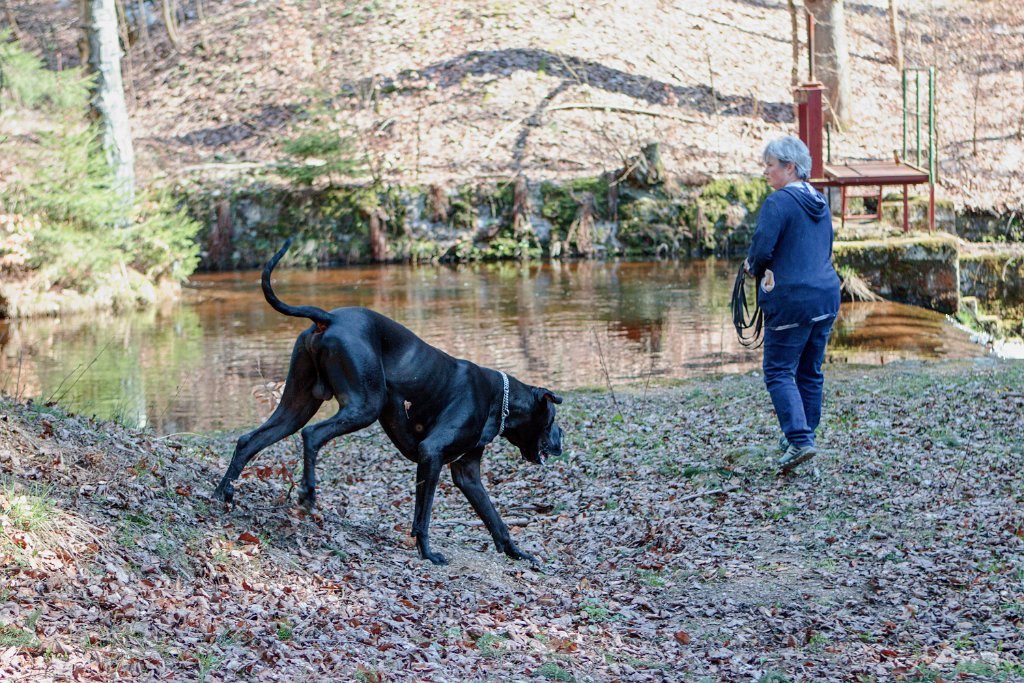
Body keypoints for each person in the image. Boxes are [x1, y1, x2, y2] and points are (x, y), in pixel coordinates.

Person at [744, 135, 841, 473]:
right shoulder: (820, 200)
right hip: (827, 295)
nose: (766, 172)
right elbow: (824, 248)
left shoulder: (778, 202)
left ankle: (799, 439)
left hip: (792, 299)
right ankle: (805, 436)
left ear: (790, 167)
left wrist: (752, 268)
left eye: (770, 166)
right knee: (810, 370)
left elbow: (761, 248)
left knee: (778, 370)